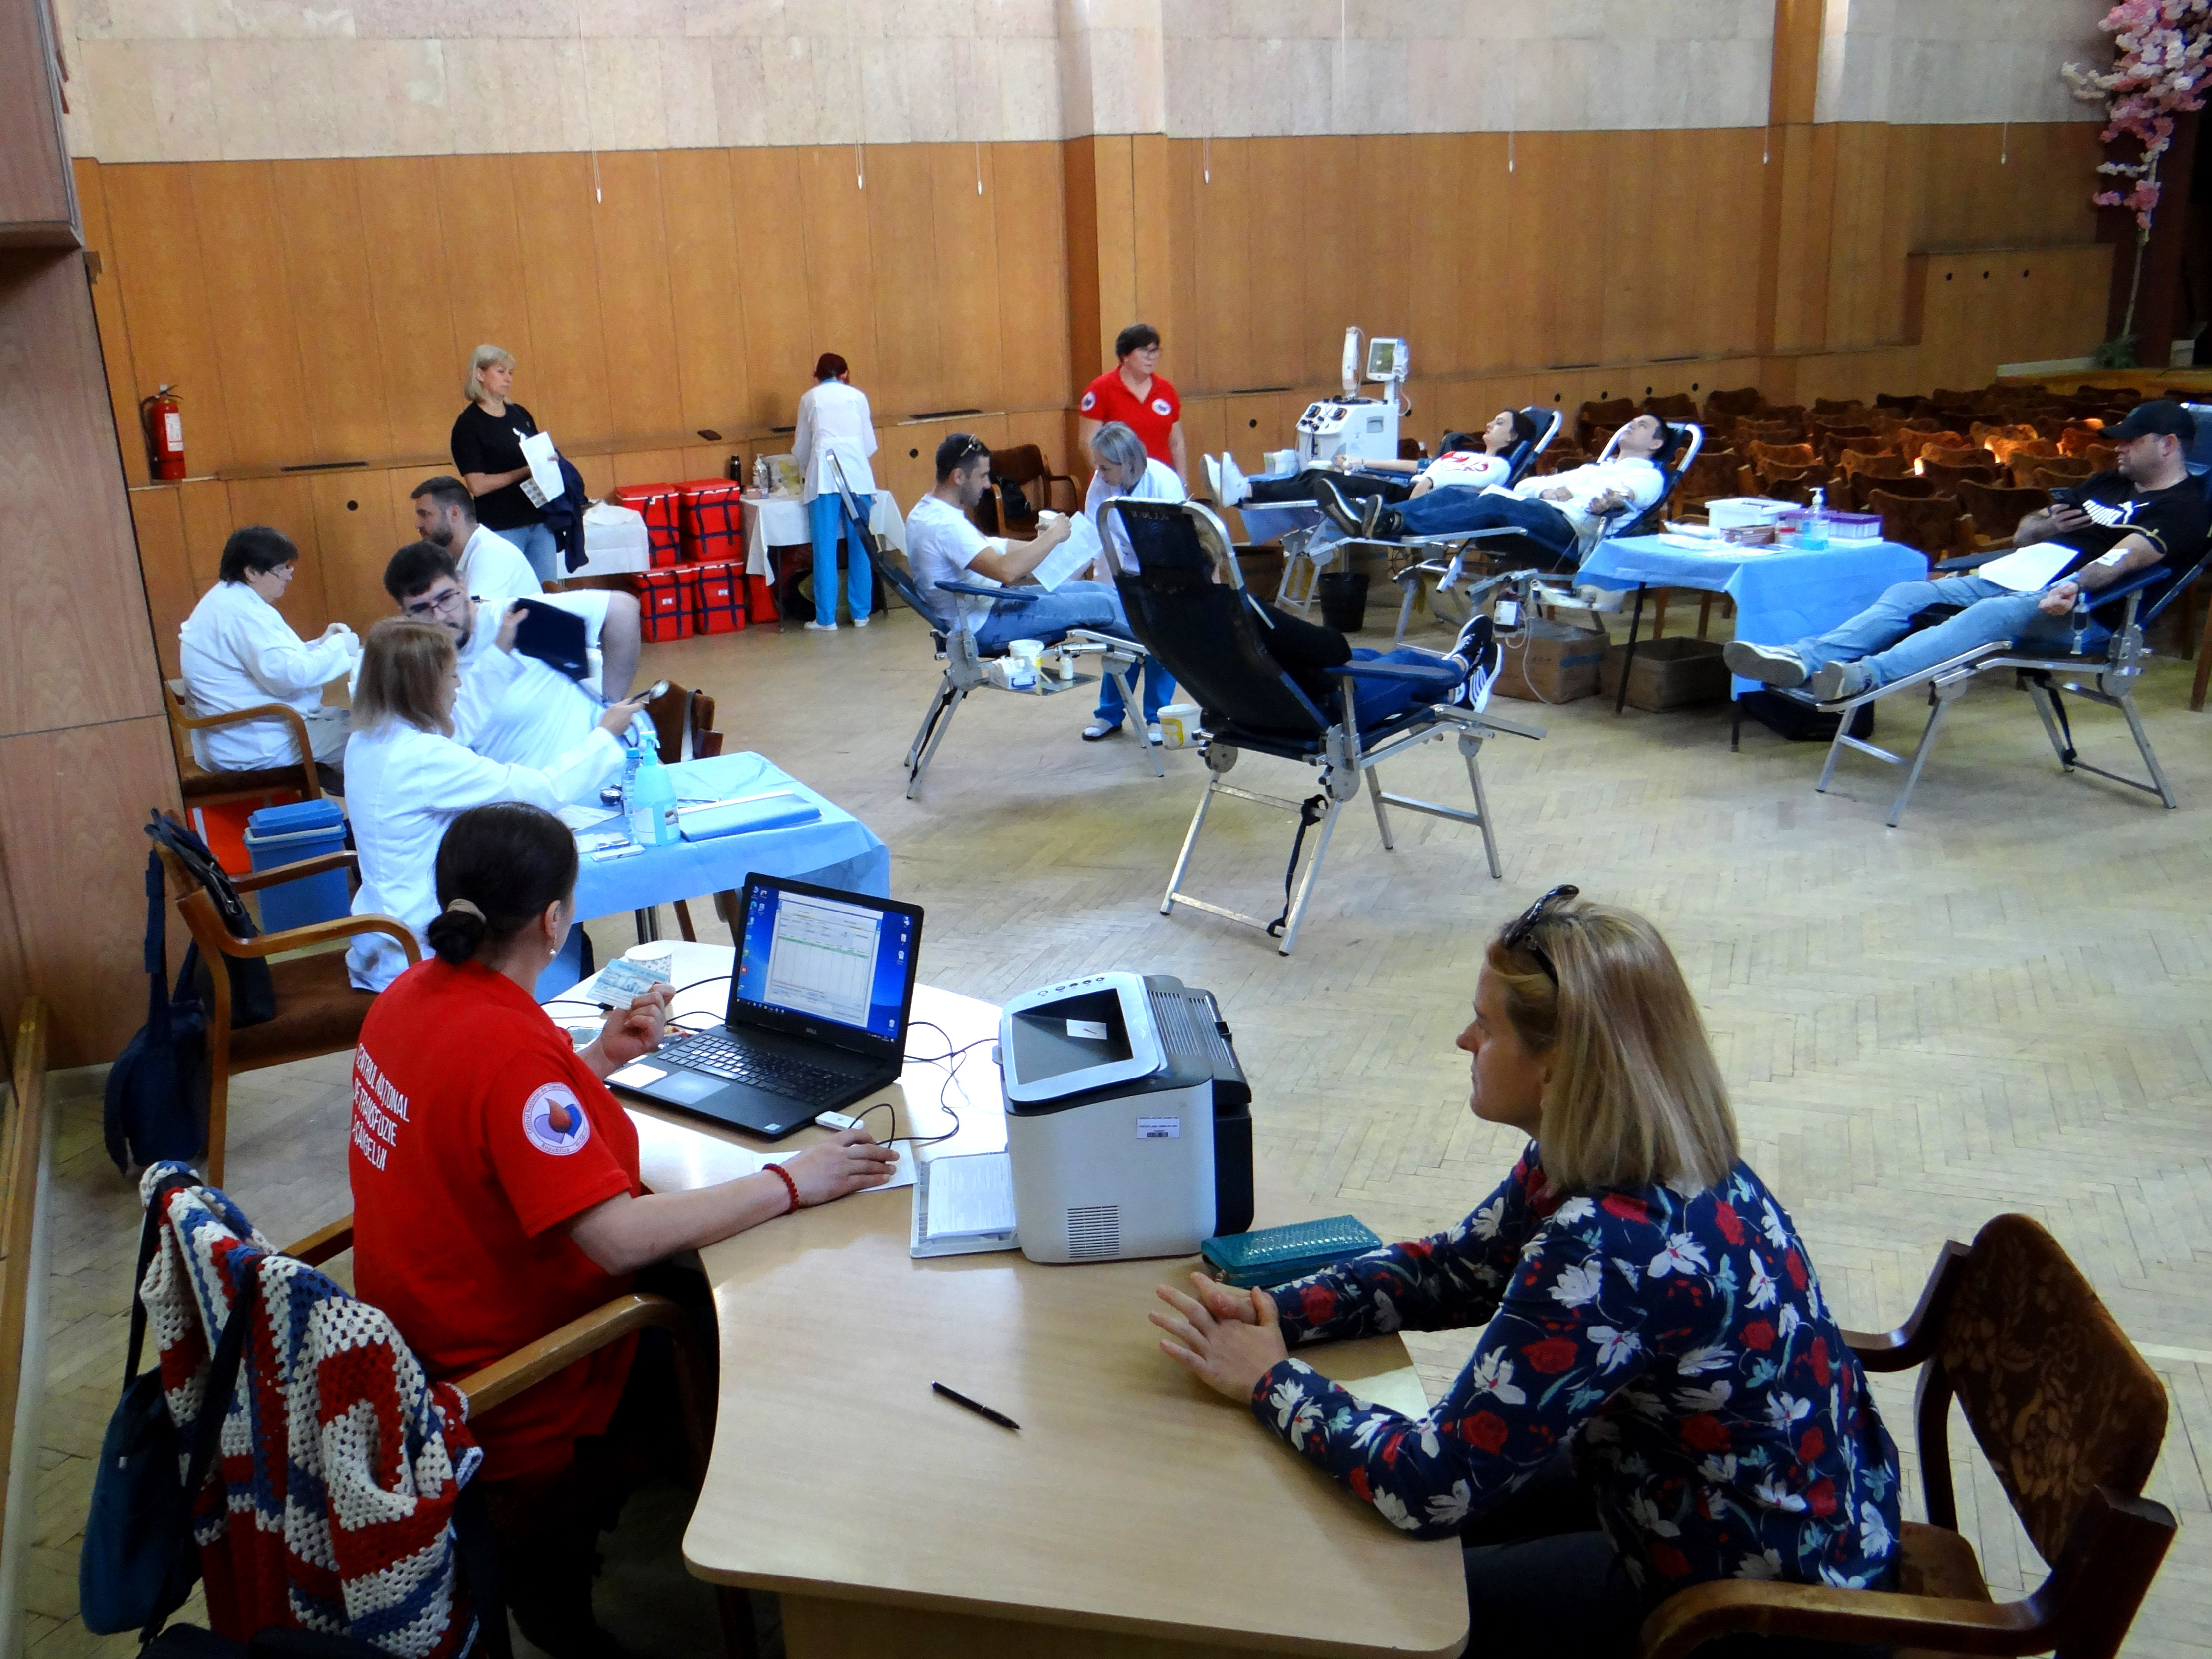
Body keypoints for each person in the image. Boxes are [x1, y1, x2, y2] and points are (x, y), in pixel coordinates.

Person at [1148, 890, 1902, 1658]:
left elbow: (1427, 1486)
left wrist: (1268, 1379)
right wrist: (1269, 1307)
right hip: (1751, 1498)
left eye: (1488, 1024)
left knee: (1385, 1609)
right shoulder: (1640, 1146)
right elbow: (1457, 1269)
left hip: (1762, 1606)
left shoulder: (1608, 1247)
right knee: (1396, 1552)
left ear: (1557, 1065)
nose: (1462, 1038)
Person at [348, 801, 896, 1653]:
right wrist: (794, 1176)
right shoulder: (512, 1052)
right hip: (510, 1374)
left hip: (416, 1337)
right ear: (554, 917)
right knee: (732, 1336)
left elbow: (486, 1123)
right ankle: (747, 1560)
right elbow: (620, 1239)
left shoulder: (407, 996)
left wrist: (599, 1060)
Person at [1725, 399, 2211, 702]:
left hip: (2082, 609)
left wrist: (2072, 584)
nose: (2117, 449)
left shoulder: (2183, 508)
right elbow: (2024, 533)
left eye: (2130, 441)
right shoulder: (2106, 482)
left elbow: (2122, 558)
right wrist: (2041, 524)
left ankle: (1859, 677)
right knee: (1908, 594)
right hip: (2019, 574)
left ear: (2168, 444)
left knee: (1989, 616)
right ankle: (1801, 658)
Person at [341, 618, 642, 992]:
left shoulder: (371, 736)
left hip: (383, 928)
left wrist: (500, 651)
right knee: (544, 935)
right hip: (414, 941)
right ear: (423, 687)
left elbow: (460, 721)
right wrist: (604, 736)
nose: (458, 686)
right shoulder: (418, 756)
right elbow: (538, 792)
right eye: (451, 677)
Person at [383, 542, 643, 772]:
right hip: (518, 796)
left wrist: (612, 699)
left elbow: (623, 608)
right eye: (421, 610)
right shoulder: (418, 660)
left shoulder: (515, 620)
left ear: (463, 584)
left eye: (446, 598)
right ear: (403, 613)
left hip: (587, 779)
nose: (439, 617)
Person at [1311, 414, 1679, 566]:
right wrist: (1551, 490)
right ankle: (1381, 522)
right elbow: (1528, 484)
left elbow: (1631, 497)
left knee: (1493, 507)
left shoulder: (1648, 476)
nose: (1630, 426)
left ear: (1655, 445)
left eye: (1642, 426)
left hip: (1569, 532)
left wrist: (1600, 498)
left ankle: (1389, 525)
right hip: (1539, 510)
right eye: (1631, 422)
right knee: (1458, 493)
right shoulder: (1593, 468)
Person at [907, 432, 1133, 661]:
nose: (988, 484)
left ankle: (1154, 637)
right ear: (958, 476)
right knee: (1102, 605)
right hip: (983, 625)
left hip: (985, 607)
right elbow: (1007, 572)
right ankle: (1163, 649)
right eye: (983, 476)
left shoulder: (928, 511)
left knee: (1095, 590)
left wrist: (1043, 544)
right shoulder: (944, 525)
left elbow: (993, 546)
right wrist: (1052, 536)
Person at [177, 525, 358, 787]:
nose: (289, 576)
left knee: (361, 728)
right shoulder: (241, 612)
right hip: (254, 742)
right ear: (251, 572)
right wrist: (339, 647)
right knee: (372, 741)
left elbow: (270, 663)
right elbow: (289, 676)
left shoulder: (229, 600)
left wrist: (320, 645)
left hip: (247, 733)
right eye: (282, 568)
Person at [1212, 410, 1537, 510]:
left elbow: (1458, 487)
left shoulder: (1499, 467)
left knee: (1322, 484)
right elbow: (1415, 466)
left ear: (1512, 439)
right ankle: (1245, 489)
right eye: (1493, 420)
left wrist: (1422, 490)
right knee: (1316, 471)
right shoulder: (1461, 453)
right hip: (1406, 487)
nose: (1491, 425)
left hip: (1412, 501)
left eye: (1500, 424)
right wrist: (1361, 461)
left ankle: (1245, 492)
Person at [1081, 420, 1183, 742]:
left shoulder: (1164, 483)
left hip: (1166, 572)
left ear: (1129, 463)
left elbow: (1178, 542)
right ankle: (1109, 714)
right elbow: (1090, 533)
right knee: (1120, 643)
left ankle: (1156, 716)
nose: (1099, 474)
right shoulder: (1100, 484)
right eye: (1097, 466)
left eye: (1105, 467)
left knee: (1160, 645)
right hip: (1121, 573)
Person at [451, 344, 559, 582]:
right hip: (503, 527)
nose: (508, 379)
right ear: (480, 374)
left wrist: (549, 461)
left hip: (539, 520)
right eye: (501, 372)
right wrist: (523, 472)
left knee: (548, 595)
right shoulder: (468, 425)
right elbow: (477, 485)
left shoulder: (519, 413)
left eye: (511, 373)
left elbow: (536, 453)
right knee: (510, 596)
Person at [792, 351, 880, 632]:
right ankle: (861, 613)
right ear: (845, 374)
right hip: (857, 476)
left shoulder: (810, 398)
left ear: (817, 375)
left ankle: (826, 618)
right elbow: (869, 445)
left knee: (825, 548)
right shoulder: (857, 396)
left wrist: (806, 467)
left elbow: (802, 447)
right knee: (861, 546)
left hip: (823, 478)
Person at [410, 473, 542, 606]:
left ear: (454, 514)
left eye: (425, 515)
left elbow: (473, 623)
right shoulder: (455, 556)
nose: (418, 525)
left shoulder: (490, 553)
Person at [1079, 322, 1185, 482]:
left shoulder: (1166, 389)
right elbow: (1088, 443)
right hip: (1117, 483)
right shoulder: (1100, 389)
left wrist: (1181, 482)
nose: (1151, 357)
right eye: (1144, 351)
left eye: (1155, 351)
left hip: (1159, 482)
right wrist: (1109, 480)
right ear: (1125, 356)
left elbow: (1177, 443)